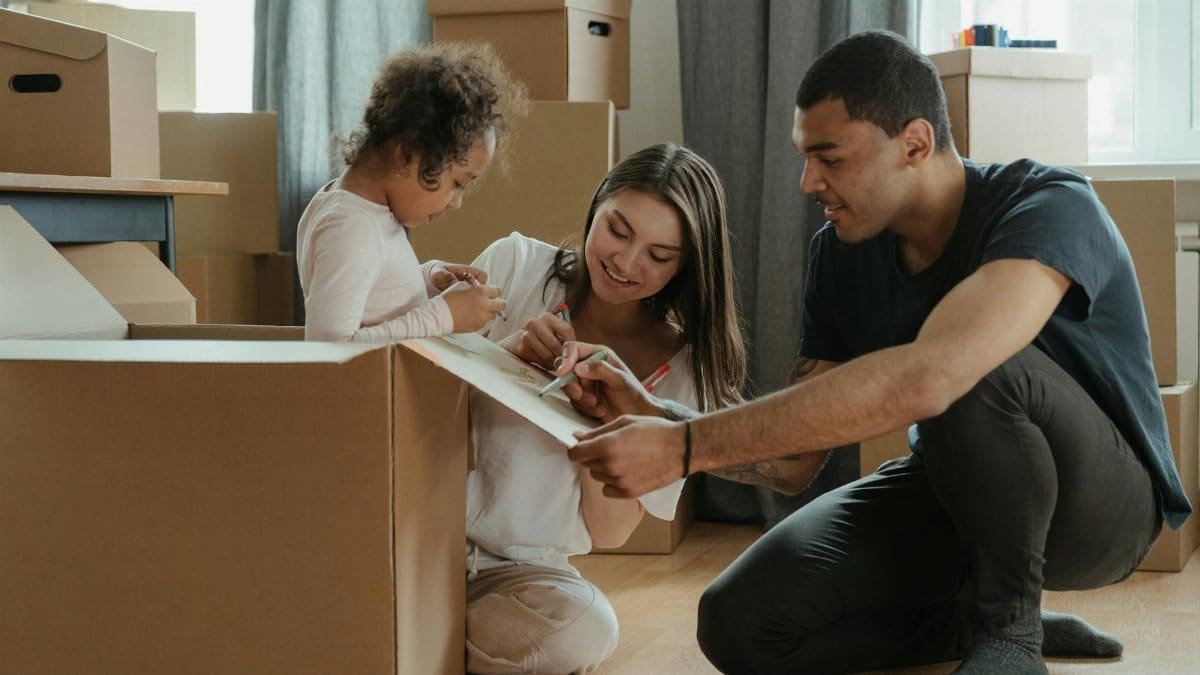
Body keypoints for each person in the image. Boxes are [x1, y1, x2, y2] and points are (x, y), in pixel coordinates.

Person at [562, 30, 1192, 674]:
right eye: (805, 157)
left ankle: (1010, 634)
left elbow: (935, 375)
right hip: (952, 492)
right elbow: (794, 465)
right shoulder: (838, 254)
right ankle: (967, 623)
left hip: (1101, 509)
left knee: (971, 365)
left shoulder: (1050, 203)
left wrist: (684, 447)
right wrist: (662, 421)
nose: (808, 182)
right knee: (739, 624)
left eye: (829, 158)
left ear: (914, 143)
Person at [458, 143, 747, 674]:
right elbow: (412, 406)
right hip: (423, 533)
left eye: (659, 256)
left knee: (590, 628)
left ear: (686, 266)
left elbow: (610, 533)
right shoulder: (514, 265)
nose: (625, 262)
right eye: (618, 230)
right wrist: (506, 356)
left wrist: (605, 419)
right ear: (598, 206)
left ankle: (419, 635)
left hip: (526, 574)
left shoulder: (682, 371)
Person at [297, 42, 526, 342]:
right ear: (406, 156)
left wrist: (429, 280)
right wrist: (443, 315)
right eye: (457, 183)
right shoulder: (352, 228)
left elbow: (373, 294)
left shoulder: (355, 209)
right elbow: (330, 349)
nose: (456, 203)